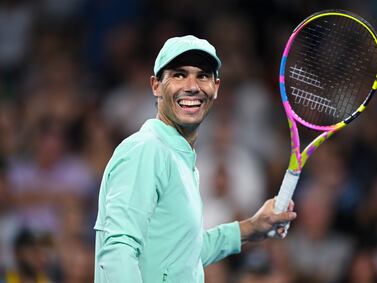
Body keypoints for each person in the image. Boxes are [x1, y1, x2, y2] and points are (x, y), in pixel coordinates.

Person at [94, 35, 297, 283]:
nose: (192, 86)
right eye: (179, 74)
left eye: (202, 75)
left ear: (216, 88)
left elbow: (183, 253)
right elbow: (118, 251)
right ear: (156, 85)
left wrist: (251, 227)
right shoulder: (146, 149)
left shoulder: (179, 159)